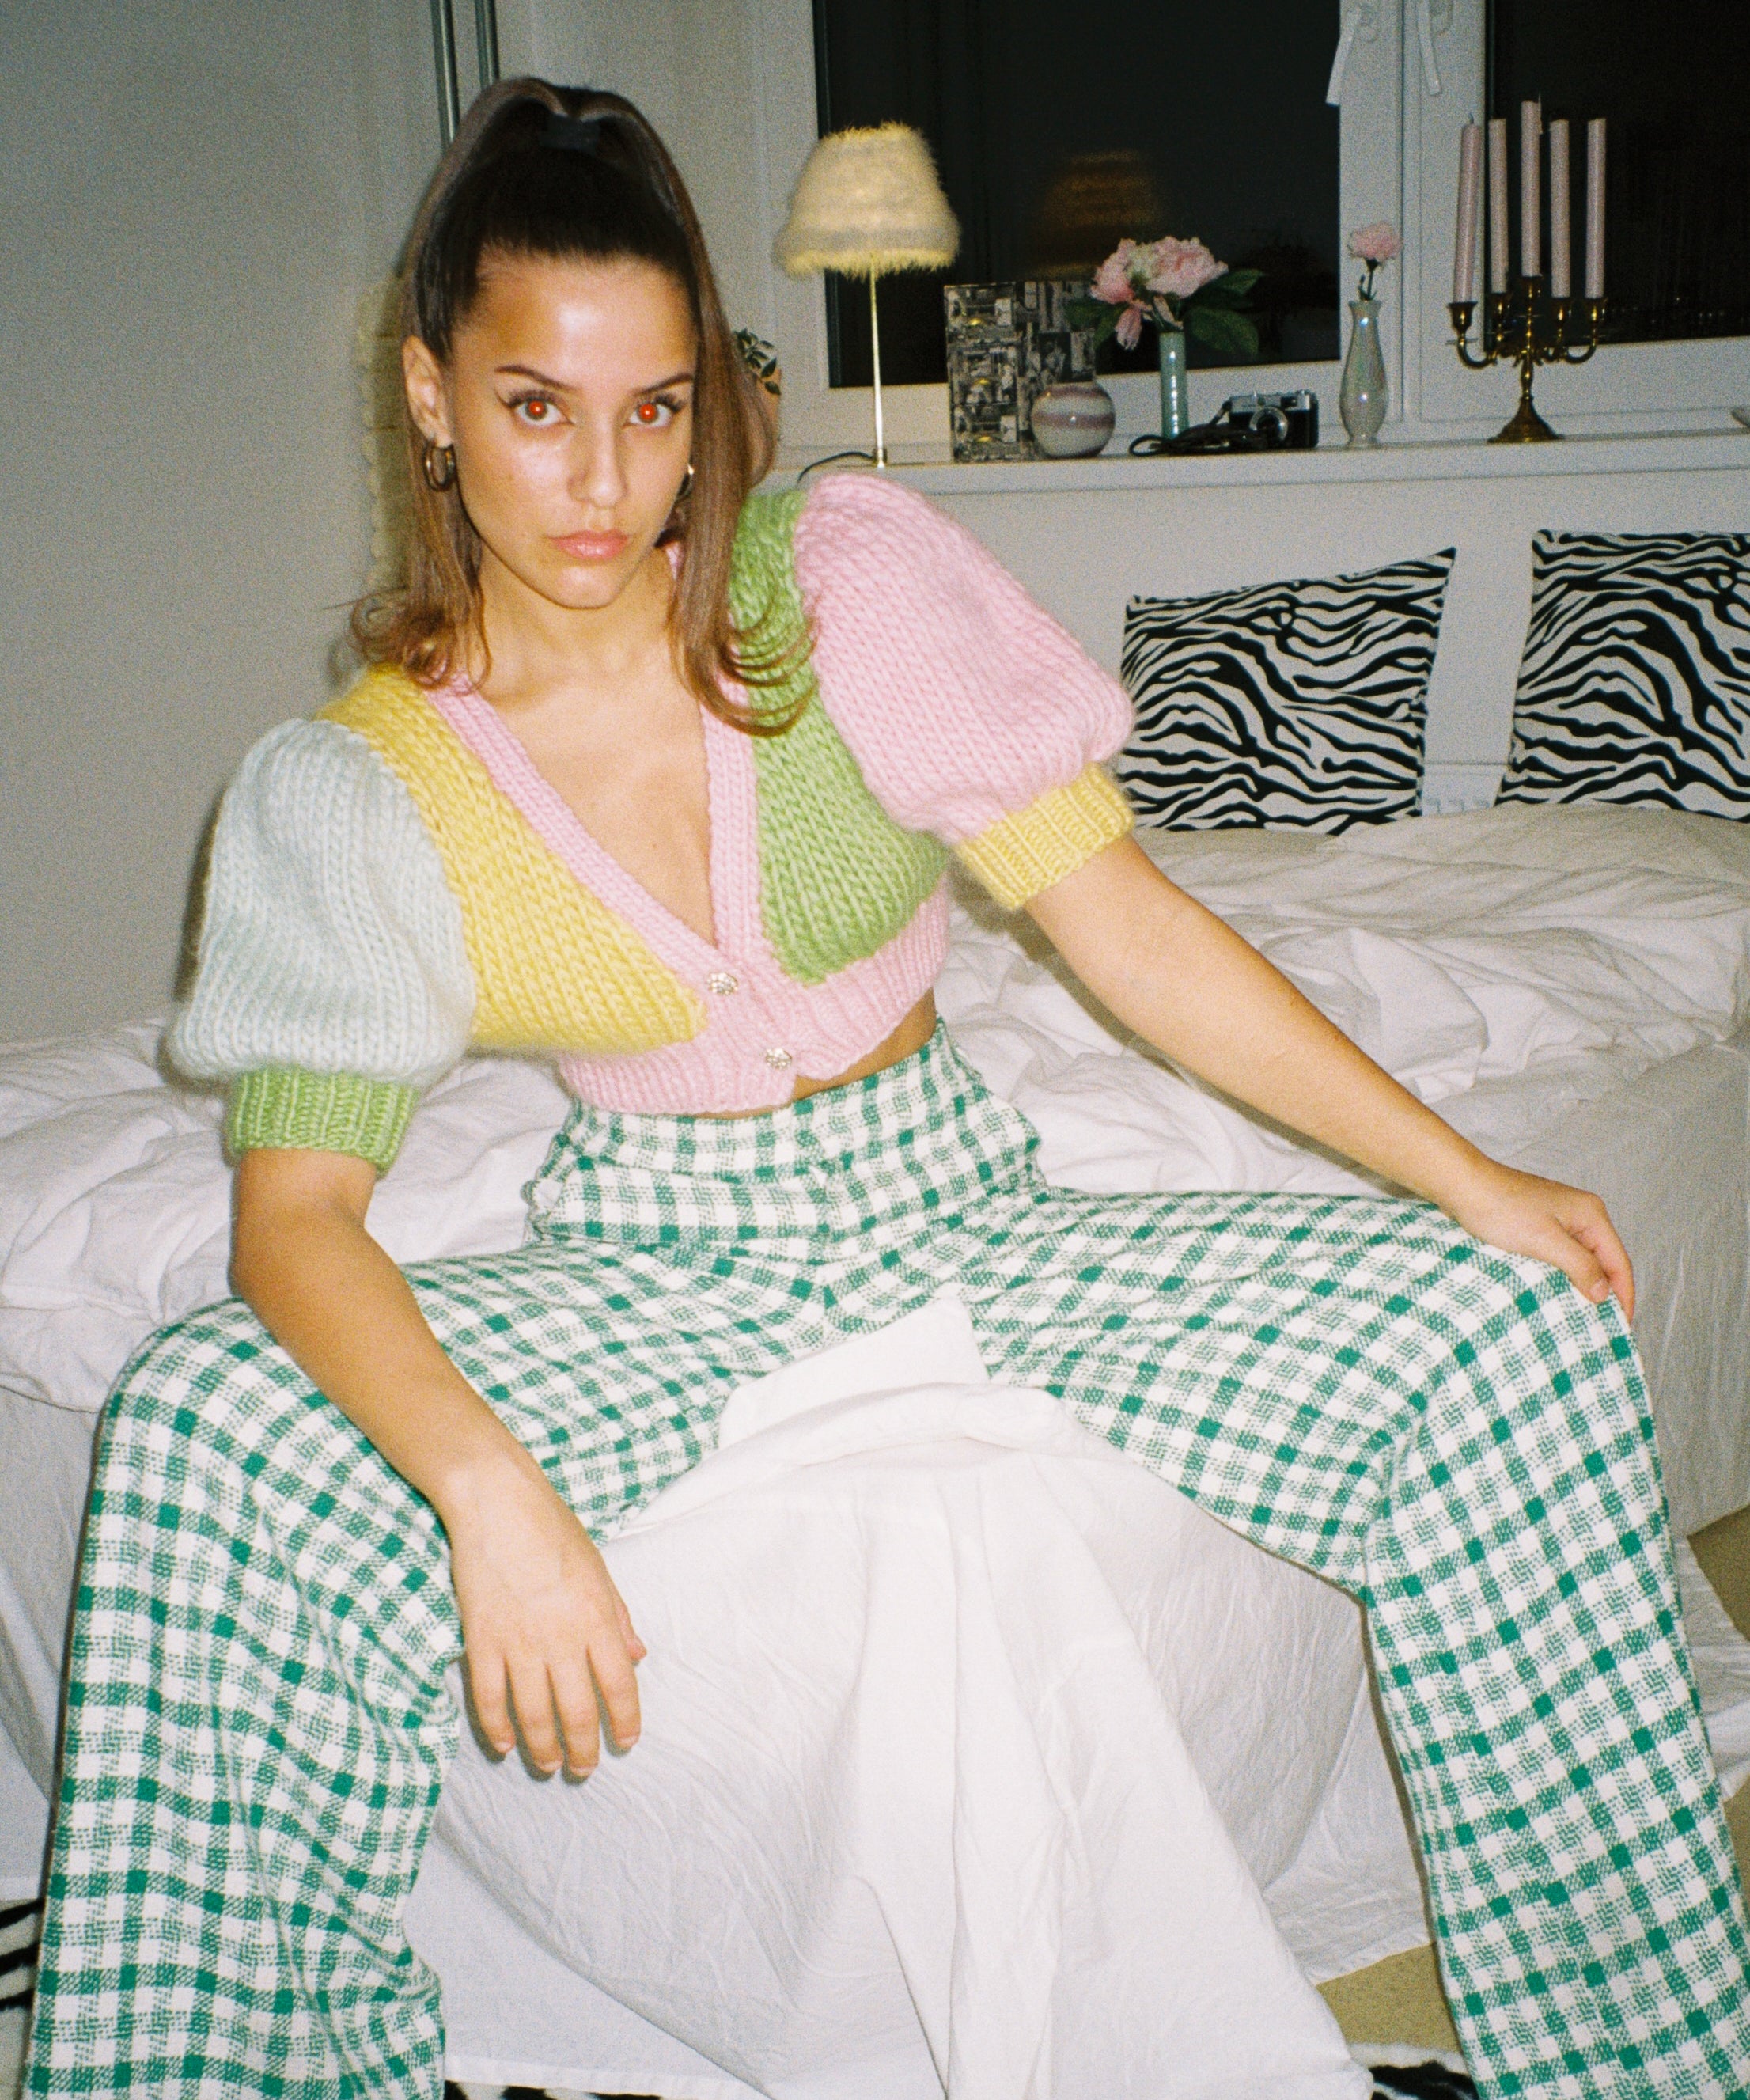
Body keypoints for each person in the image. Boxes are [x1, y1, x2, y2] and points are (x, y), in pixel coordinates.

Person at [25, 77, 1750, 2100]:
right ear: (428, 394)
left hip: (962, 1206)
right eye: (534, 406)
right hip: (660, 1258)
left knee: (1503, 1336)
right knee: (199, 1421)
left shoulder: (836, 576)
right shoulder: (356, 784)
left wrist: (1463, 1176)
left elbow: (1127, 930)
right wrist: (484, 1494)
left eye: (654, 408)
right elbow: (294, 1220)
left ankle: (1641, 2064)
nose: (603, 480)